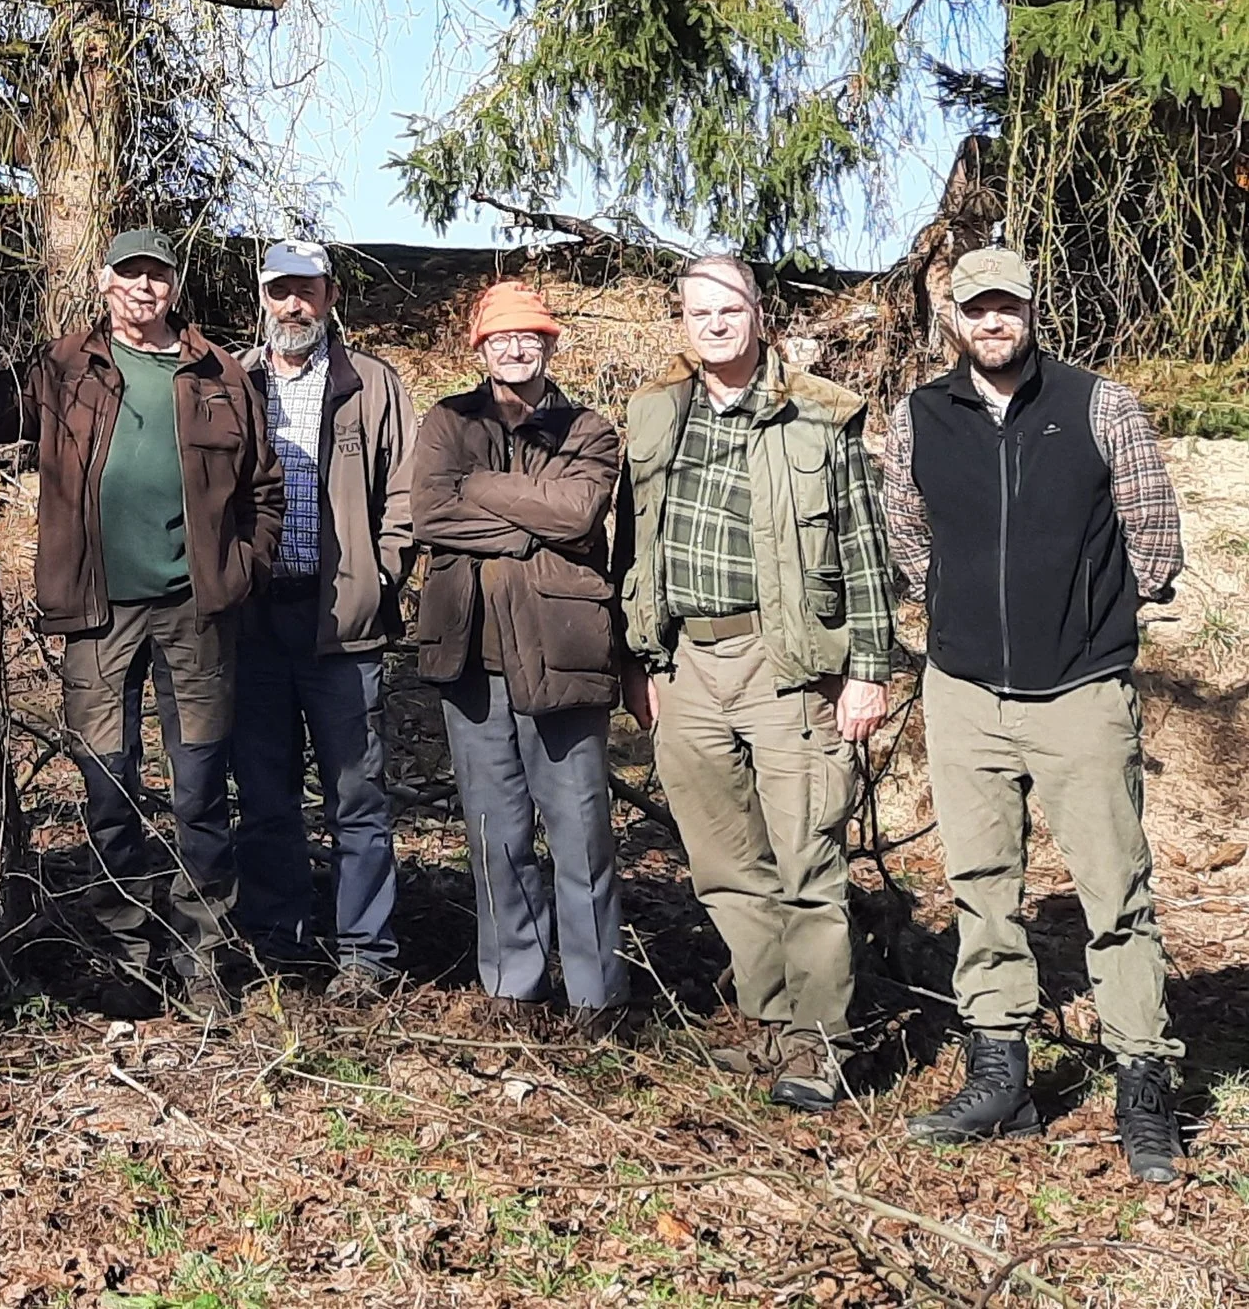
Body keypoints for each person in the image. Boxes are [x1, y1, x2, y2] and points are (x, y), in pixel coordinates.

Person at [884, 246, 1187, 1180]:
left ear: (1030, 310)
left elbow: (1155, 536)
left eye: (1007, 306)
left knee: (1115, 894)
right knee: (980, 886)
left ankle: (1143, 1083)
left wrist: (1096, 618)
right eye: (976, 308)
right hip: (965, 691)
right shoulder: (920, 414)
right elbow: (906, 531)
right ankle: (1000, 1074)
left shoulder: (1099, 405)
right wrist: (956, 607)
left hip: (1081, 692)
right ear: (953, 318)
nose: (992, 322)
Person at [615, 255, 894, 1111]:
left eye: (728, 309)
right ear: (681, 322)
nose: (714, 324)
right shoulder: (655, 413)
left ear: (759, 315)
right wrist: (638, 660)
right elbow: (631, 543)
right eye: (698, 312)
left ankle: (820, 1044)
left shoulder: (819, 413)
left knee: (807, 860)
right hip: (686, 666)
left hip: (787, 666)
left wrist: (869, 670)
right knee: (725, 867)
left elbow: (864, 548)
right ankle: (771, 1022)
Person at [32, 227, 285, 1007]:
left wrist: (240, 571)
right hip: (96, 611)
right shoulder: (63, 366)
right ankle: (129, 951)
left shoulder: (217, 373)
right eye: (130, 274)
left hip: (195, 611)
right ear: (103, 282)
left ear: (174, 285)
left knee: (199, 789)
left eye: (157, 275)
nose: (144, 288)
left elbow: (264, 489)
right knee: (107, 788)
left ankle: (204, 952)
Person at [410, 281, 634, 1032]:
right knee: (494, 830)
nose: (515, 348)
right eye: (500, 337)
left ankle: (597, 998)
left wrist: (479, 488)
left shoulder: (588, 429)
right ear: (480, 347)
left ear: (550, 343)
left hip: (562, 649)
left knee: (580, 831)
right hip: (470, 655)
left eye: (529, 336)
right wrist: (529, 523)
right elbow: (431, 513)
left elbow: (578, 513)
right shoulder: (448, 420)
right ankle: (513, 987)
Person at [231, 240, 416, 997]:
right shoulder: (232, 381)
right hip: (253, 622)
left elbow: (406, 492)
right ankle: (278, 943)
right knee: (264, 793)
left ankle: (366, 954)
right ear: (263, 297)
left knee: (357, 797)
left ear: (330, 296)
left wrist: (383, 574)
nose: (293, 304)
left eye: (306, 289)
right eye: (280, 290)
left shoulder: (371, 383)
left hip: (342, 621)